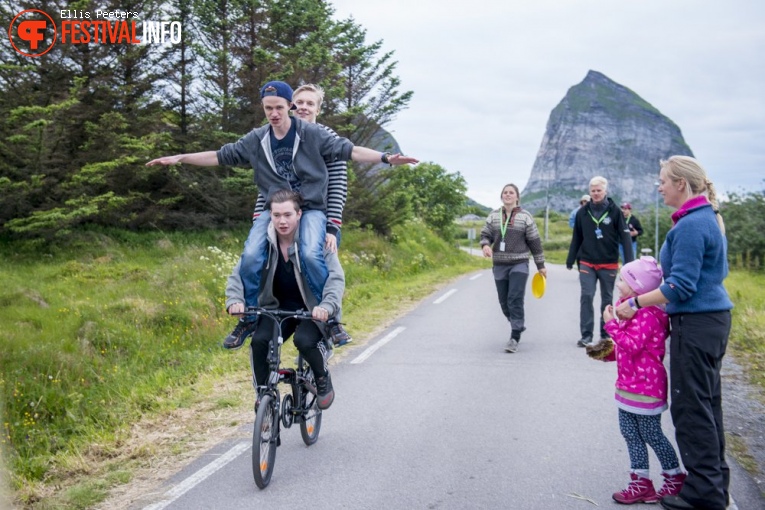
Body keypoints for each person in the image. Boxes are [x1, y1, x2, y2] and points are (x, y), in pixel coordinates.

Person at [146, 81, 418, 349]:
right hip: (274, 209)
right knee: (252, 253)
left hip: (310, 208)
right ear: (264, 109)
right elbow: (220, 155)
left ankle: (330, 317)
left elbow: (351, 152)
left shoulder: (314, 135)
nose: (274, 114)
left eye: (279, 107)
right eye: (268, 108)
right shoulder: (258, 139)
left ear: (289, 107)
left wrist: (385, 158)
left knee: (311, 253)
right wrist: (181, 157)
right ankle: (249, 317)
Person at [615, 156, 733, 510]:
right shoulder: (702, 218)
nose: (659, 186)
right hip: (708, 321)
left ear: (681, 183)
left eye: (663, 180)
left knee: (691, 410)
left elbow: (680, 286)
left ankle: (702, 495)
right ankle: (712, 484)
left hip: (697, 326)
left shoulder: (692, 225)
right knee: (706, 406)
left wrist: (635, 303)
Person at [250, 83, 353, 347]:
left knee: (311, 257)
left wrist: (332, 227)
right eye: (299, 103)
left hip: (317, 217)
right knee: (260, 258)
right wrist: (260, 217)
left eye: (310, 103)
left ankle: (330, 320)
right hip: (283, 216)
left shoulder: (324, 138)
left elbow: (338, 185)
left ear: (318, 108)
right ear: (291, 106)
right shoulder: (277, 135)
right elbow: (270, 182)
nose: (304, 108)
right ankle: (257, 317)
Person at [225, 190, 343, 410]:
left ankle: (322, 376)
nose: (282, 221)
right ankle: (263, 394)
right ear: (270, 215)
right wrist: (234, 300)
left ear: (299, 214)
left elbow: (336, 279)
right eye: (276, 215)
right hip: (277, 307)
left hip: (312, 309)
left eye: (287, 215)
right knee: (259, 342)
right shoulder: (263, 243)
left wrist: (326, 307)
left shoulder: (316, 241)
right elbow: (238, 274)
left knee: (305, 341)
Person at [588, 256, 685, 504]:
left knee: (652, 434)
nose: (619, 284)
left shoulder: (649, 315)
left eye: (623, 280)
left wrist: (610, 325)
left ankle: (674, 477)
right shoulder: (630, 311)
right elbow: (628, 349)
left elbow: (631, 345)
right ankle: (640, 482)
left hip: (646, 387)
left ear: (638, 288)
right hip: (628, 385)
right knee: (630, 433)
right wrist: (609, 353)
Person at [567, 176, 633, 347]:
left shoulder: (615, 211)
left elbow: (625, 237)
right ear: (589, 192)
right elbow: (577, 238)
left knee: (606, 300)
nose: (596, 194)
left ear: (605, 191)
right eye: (593, 191)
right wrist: (570, 259)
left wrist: (629, 263)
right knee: (587, 296)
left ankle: (605, 334)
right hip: (587, 262)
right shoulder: (582, 212)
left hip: (608, 263)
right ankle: (586, 335)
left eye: (599, 190)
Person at [480, 183, 547, 353]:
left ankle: (515, 336)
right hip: (500, 264)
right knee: (504, 302)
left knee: (514, 298)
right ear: (501, 196)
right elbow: (485, 234)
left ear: (517, 197)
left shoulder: (526, 217)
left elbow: (535, 242)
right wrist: (485, 245)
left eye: (511, 193)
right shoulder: (493, 216)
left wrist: (541, 265)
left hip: (519, 263)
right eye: (505, 192)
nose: (508, 195)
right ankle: (518, 323)